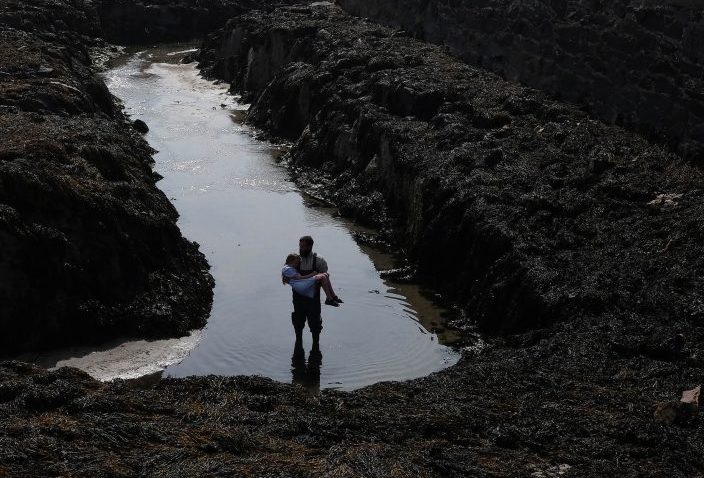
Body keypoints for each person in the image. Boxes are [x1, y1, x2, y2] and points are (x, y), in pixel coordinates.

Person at [282, 235, 333, 350]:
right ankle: (298, 342)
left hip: (313, 298)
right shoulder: (294, 259)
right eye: (300, 246)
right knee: (298, 321)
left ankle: (316, 345)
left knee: (315, 323)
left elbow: (325, 278)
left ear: (310, 246)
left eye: (303, 247)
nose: (301, 249)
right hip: (298, 297)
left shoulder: (319, 260)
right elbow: (286, 273)